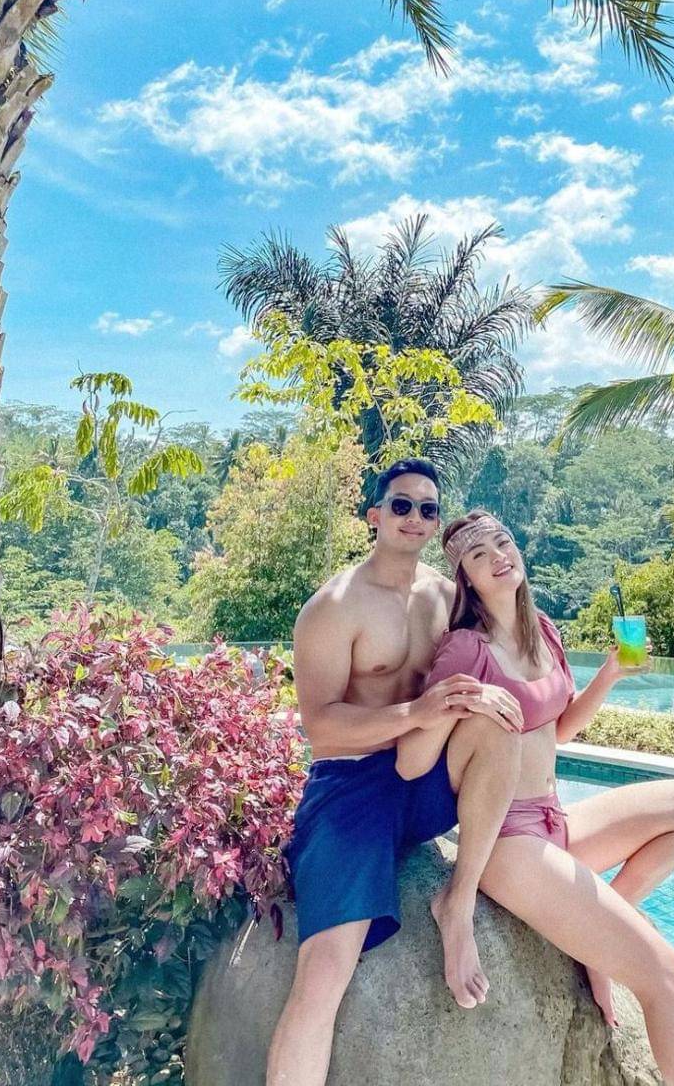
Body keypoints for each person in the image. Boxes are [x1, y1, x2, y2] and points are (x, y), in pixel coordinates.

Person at [396, 510, 674, 1086]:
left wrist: (611, 674)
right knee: (666, 976)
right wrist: (464, 702)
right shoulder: (465, 649)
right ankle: (465, 905)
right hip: (507, 842)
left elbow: (560, 729)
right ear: (466, 578)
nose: (498, 557)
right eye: (479, 555)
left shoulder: (544, 631)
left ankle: (599, 935)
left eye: (503, 543)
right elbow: (413, 760)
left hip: (555, 820)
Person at [266, 465, 525, 1086]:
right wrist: (418, 712)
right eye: (402, 505)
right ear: (375, 515)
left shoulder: (446, 598)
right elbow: (321, 727)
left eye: (428, 510)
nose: (415, 518)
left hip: (421, 773)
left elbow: (509, 648)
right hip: (351, 787)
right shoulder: (334, 607)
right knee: (325, 970)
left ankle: (457, 901)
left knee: (496, 723)